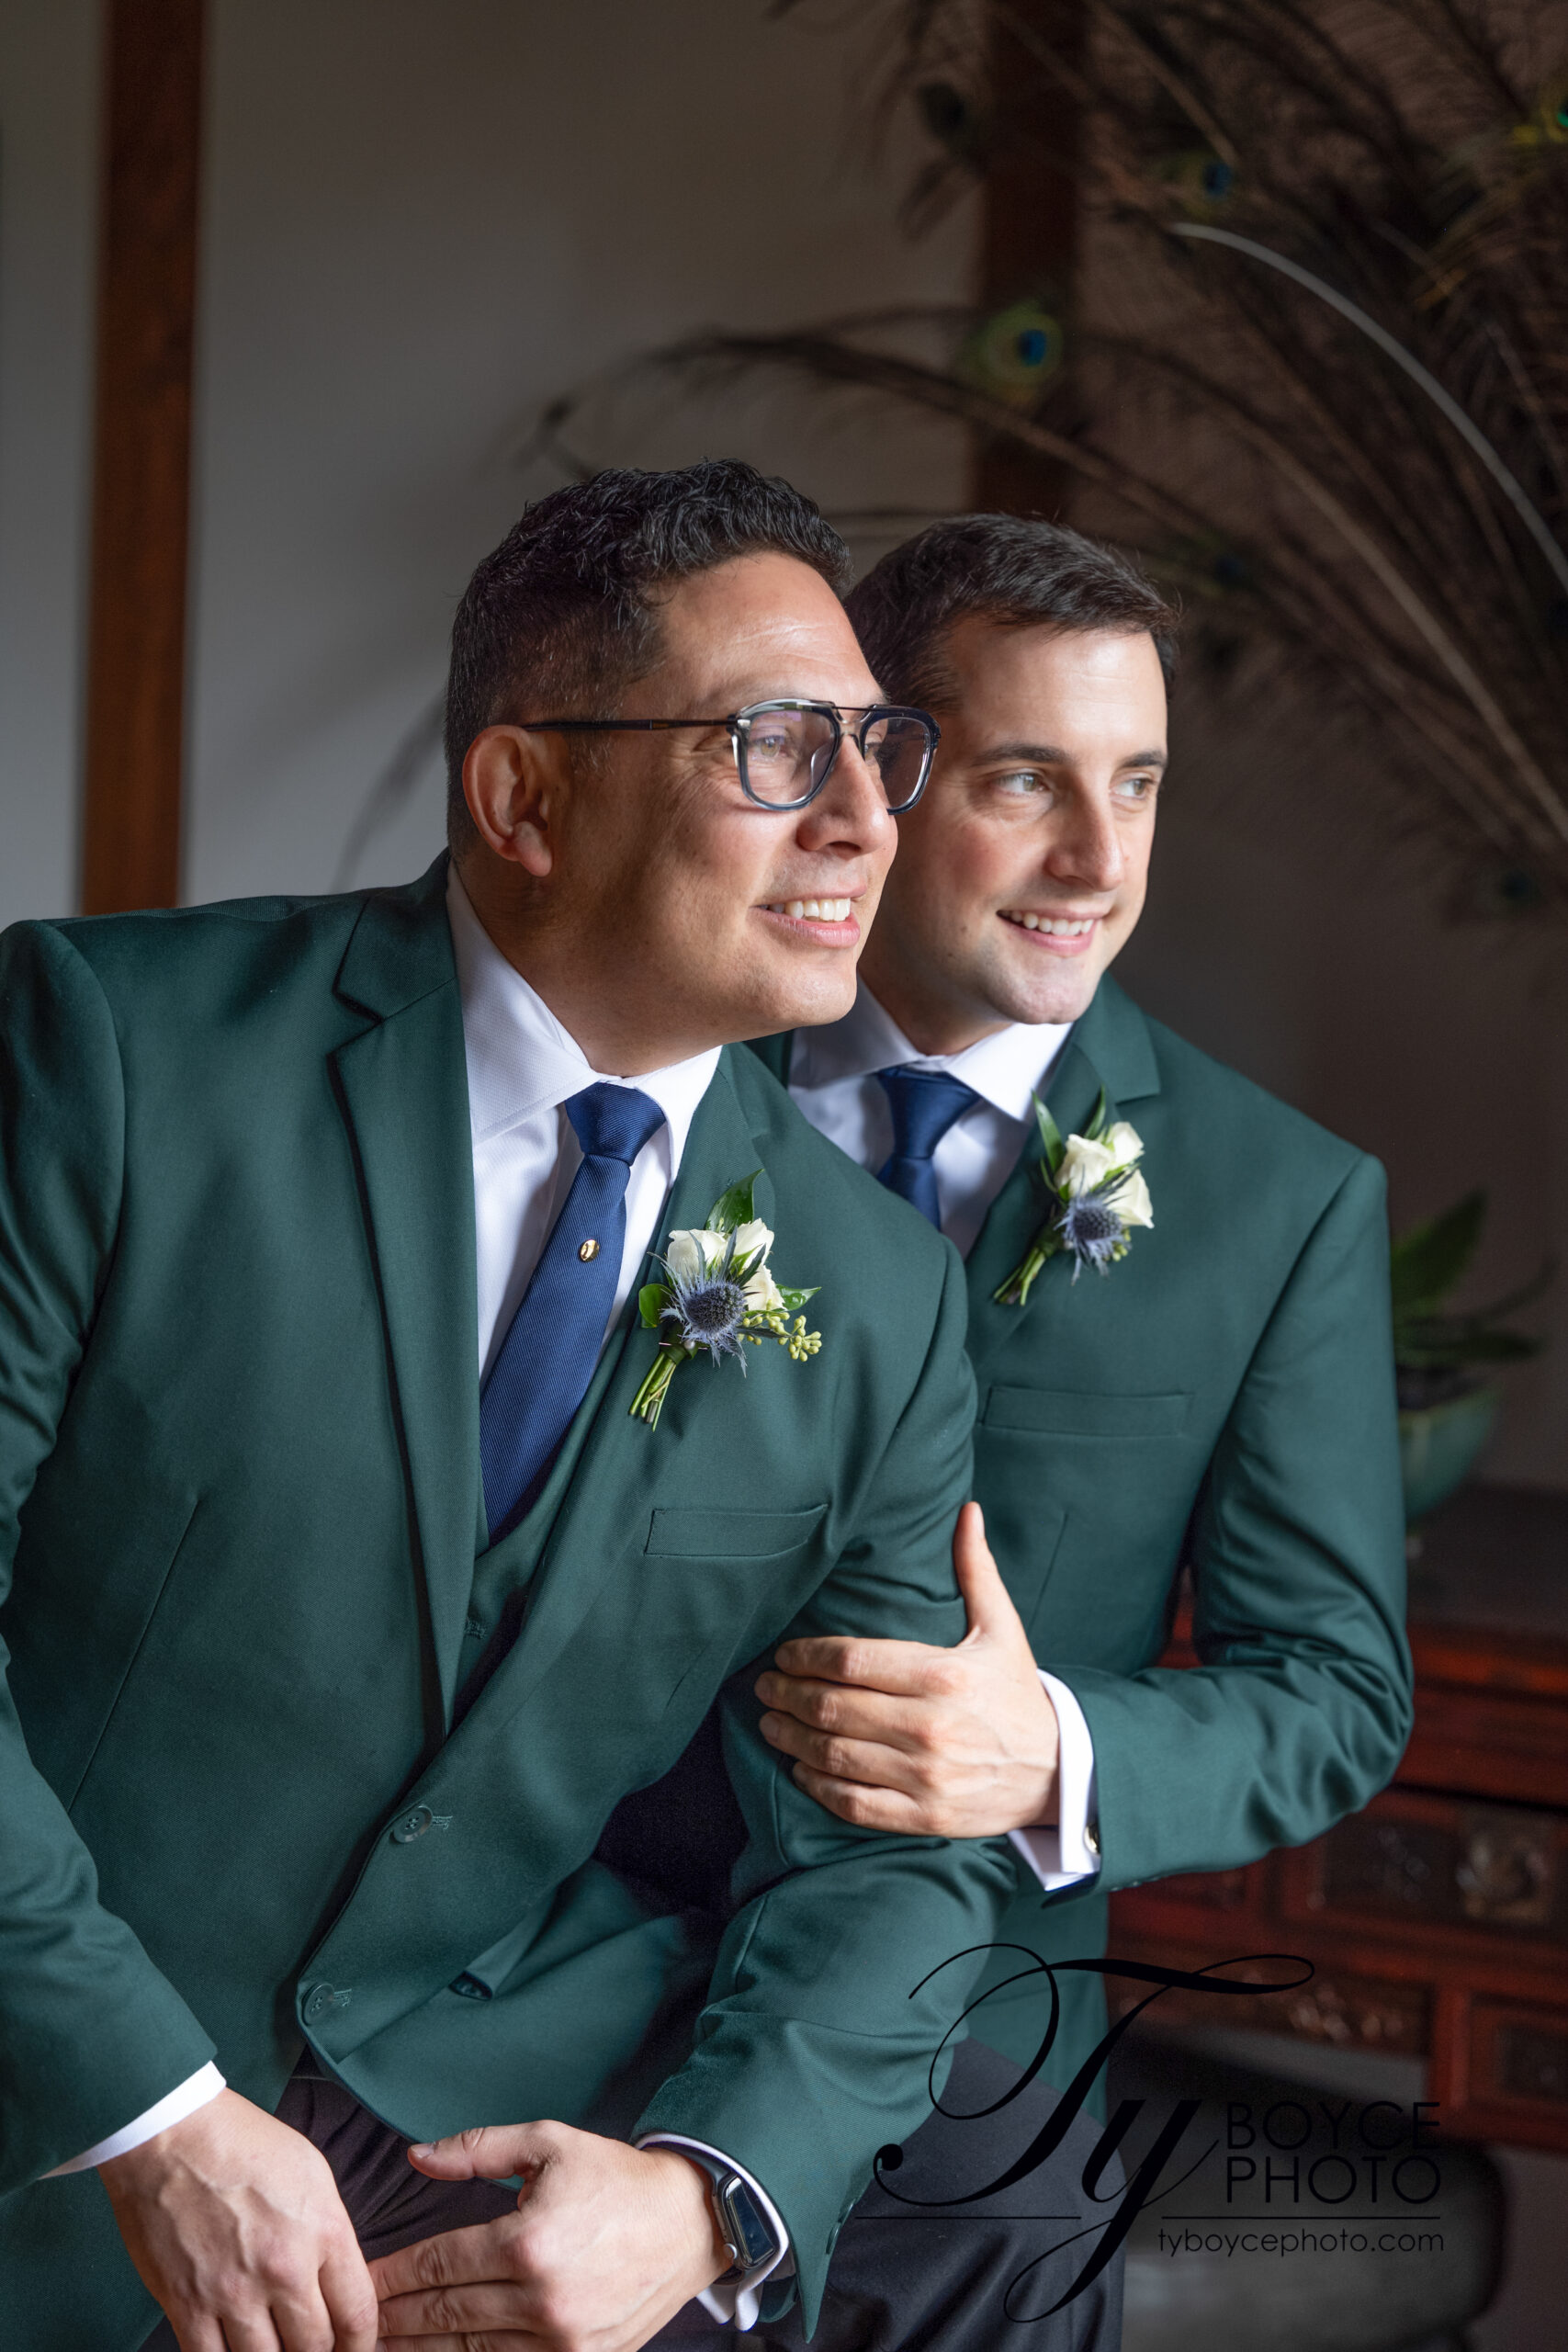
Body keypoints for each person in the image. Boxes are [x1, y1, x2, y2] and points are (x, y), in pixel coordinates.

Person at [0, 470, 1116, 2352]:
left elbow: (885, 1850)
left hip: (460, 2117)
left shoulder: (876, 1294)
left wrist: (705, 2192)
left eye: (881, 745)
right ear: (523, 796)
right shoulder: (109, 1054)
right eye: (778, 747)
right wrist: (150, 2106)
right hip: (60, 2070)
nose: (866, 813)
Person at [748, 514, 1414, 2096]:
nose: (1100, 868)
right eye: (1030, 781)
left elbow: (1331, 1693)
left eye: (1138, 785)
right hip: (546, 1979)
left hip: (972, 2048)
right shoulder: (659, 1092)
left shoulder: (1283, 1202)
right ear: (880, 779)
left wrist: (1049, 1750)